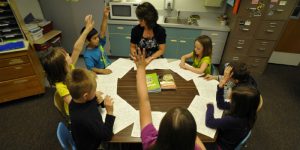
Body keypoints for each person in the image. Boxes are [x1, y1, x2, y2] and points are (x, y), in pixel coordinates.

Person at [132, 48, 206, 150]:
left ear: (162, 130)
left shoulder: (150, 142)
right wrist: (188, 131)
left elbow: (143, 101)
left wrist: (140, 68)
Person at [42, 15, 95, 116]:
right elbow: (75, 105)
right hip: (78, 113)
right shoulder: (61, 87)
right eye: (66, 55)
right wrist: (92, 98)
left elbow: (76, 48)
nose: (68, 54)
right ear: (62, 66)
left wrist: (87, 30)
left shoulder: (69, 68)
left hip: (84, 101)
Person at [205, 66, 260, 150]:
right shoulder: (247, 111)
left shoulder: (233, 120)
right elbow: (221, 105)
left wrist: (210, 107)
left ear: (238, 104)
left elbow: (209, 122)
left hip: (220, 146)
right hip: (229, 139)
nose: (229, 101)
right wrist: (220, 86)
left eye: (231, 100)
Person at [66, 68, 115, 150]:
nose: (96, 92)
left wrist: (99, 100)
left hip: (82, 137)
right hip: (92, 146)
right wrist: (109, 112)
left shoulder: (74, 102)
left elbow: (89, 103)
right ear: (85, 96)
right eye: (94, 90)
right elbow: (107, 136)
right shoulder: (87, 117)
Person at [81, 6, 112, 74]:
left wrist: (105, 17)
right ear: (87, 40)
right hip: (101, 74)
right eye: (94, 38)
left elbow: (102, 31)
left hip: (109, 67)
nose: (98, 39)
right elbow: (91, 68)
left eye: (97, 37)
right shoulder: (87, 55)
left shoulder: (98, 44)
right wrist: (102, 71)